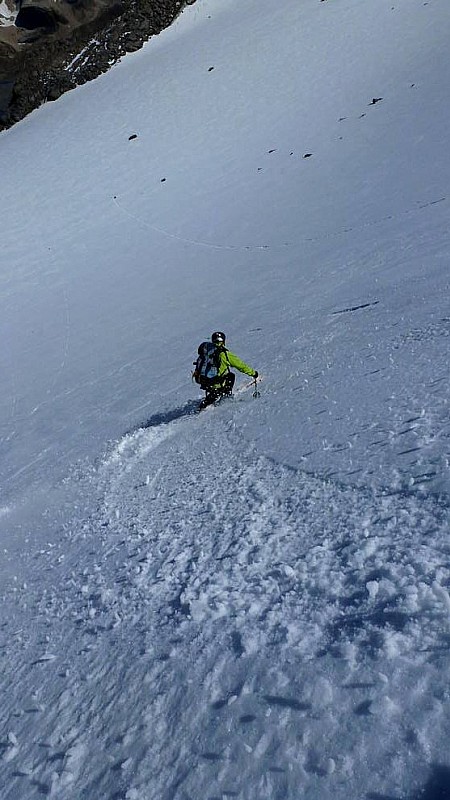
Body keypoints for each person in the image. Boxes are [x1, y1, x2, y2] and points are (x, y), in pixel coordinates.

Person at [198, 331, 258, 408]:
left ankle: (209, 399)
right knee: (230, 376)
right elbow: (241, 366)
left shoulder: (208, 349)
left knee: (225, 377)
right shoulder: (224, 354)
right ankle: (225, 397)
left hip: (203, 380)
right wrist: (253, 373)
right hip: (215, 382)